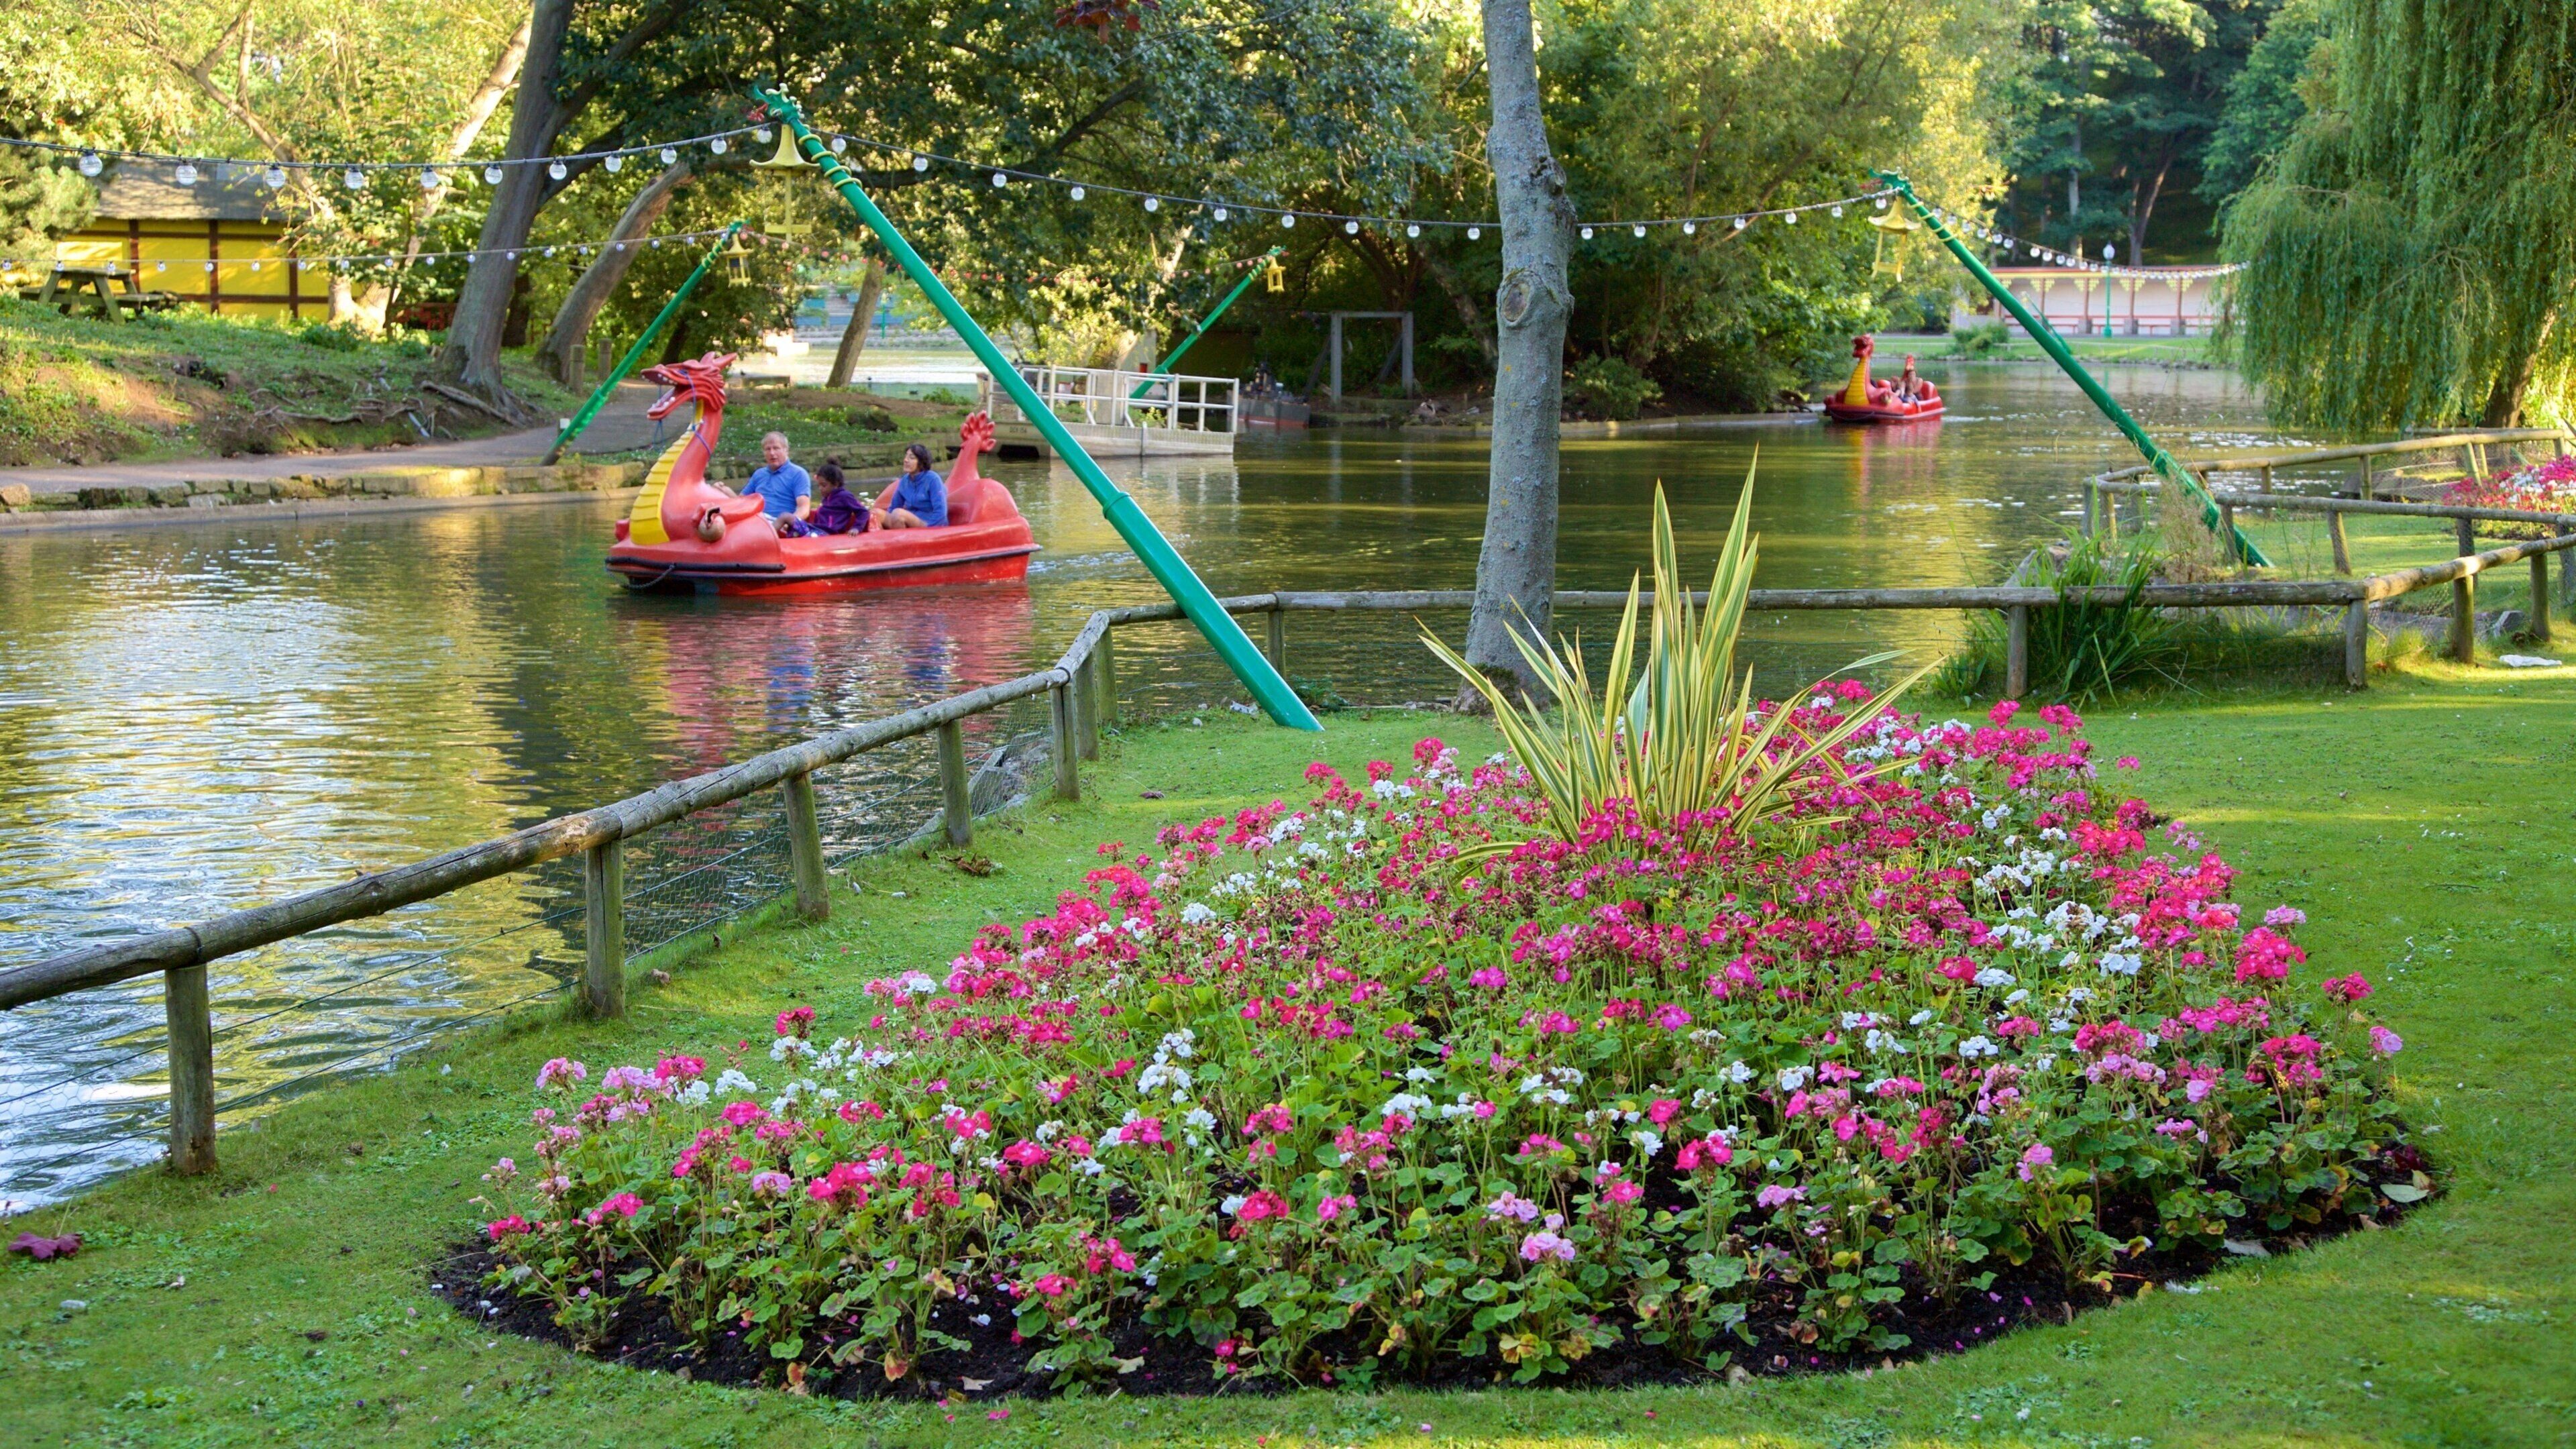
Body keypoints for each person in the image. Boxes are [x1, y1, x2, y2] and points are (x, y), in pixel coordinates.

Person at [742, 432, 812, 529]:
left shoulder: (798, 474)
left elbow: (804, 509)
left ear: (786, 450)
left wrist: (788, 525)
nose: (772, 453)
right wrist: (724, 491)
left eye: (776, 448)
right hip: (757, 522)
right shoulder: (759, 474)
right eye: (768, 449)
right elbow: (741, 501)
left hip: (781, 525)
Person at [874, 442, 947, 529]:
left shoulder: (933, 479)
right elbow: (894, 507)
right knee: (875, 514)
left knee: (898, 514)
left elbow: (941, 511)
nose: (906, 460)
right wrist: (888, 522)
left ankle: (900, 537)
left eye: (912, 458)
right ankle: (885, 537)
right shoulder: (904, 481)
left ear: (921, 462)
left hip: (929, 524)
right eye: (906, 456)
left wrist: (931, 529)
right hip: (909, 522)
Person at [808, 460, 869, 535]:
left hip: (829, 531)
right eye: (819, 485)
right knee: (795, 523)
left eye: (824, 485)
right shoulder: (826, 498)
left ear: (836, 484)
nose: (820, 488)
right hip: (818, 530)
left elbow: (863, 512)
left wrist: (857, 527)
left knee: (794, 522)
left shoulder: (845, 496)